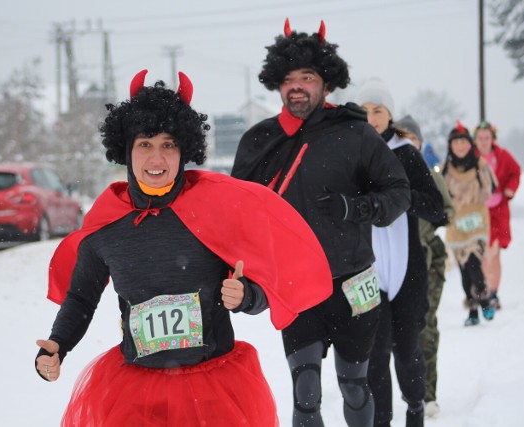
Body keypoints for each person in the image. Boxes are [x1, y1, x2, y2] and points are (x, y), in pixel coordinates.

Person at [35, 70, 334, 427]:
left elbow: (264, 286)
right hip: (136, 397)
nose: (156, 158)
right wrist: (57, 345)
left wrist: (246, 297)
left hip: (213, 393)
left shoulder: (214, 210)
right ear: (126, 152)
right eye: (144, 144)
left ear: (184, 150)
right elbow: (81, 299)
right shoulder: (108, 225)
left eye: (168, 144)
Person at [231, 19, 411, 427]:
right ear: (277, 83)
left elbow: (399, 193)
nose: (297, 86)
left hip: (354, 283)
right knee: (305, 394)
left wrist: (354, 208)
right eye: (289, 78)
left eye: (307, 77)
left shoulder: (356, 133)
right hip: (295, 287)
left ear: (327, 83)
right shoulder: (259, 141)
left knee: (353, 385)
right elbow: (235, 215)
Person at [357, 82, 446, 427]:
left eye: (378, 110)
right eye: (365, 110)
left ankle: (415, 410)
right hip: (368, 271)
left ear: (391, 114)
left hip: (409, 270)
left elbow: (438, 209)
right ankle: (382, 421)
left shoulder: (407, 153)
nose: (372, 117)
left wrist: (402, 197)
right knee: (375, 356)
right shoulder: (354, 151)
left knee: (407, 351)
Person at [396, 115, 455, 419]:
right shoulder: (387, 168)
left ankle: (427, 393)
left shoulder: (430, 173)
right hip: (395, 264)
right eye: (402, 136)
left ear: (419, 142)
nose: (408, 143)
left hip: (428, 259)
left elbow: (447, 210)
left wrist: (425, 216)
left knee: (425, 326)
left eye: (413, 138)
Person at [442, 121, 497, 326]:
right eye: (456, 142)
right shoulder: (446, 169)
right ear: (451, 146)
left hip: (477, 222)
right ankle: (472, 308)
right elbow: (442, 195)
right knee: (464, 269)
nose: (460, 146)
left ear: (470, 144)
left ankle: (484, 298)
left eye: (463, 141)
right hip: (457, 226)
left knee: (474, 261)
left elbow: (490, 189)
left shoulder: (481, 166)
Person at [473, 121, 521, 309]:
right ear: (475, 140)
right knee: (482, 254)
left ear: (493, 139)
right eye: (480, 138)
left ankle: (493, 292)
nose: (484, 142)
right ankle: (483, 289)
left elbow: (515, 172)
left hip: (498, 211)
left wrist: (510, 188)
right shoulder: (471, 157)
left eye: (487, 138)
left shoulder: (501, 156)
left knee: (494, 253)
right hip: (478, 212)